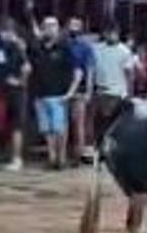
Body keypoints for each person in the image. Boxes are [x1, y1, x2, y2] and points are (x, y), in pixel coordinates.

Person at [30, 16, 80, 169]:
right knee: (47, 129)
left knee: (60, 129)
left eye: (53, 25)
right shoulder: (37, 48)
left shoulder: (65, 48)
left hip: (59, 95)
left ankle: (62, 158)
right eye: (47, 25)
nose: (50, 28)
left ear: (58, 29)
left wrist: (70, 93)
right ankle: (52, 158)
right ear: (43, 28)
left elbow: (78, 72)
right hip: (41, 95)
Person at [0, 17, 31, 171]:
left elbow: (27, 68)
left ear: (13, 32)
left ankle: (17, 159)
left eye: (8, 32)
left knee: (17, 126)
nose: (5, 35)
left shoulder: (19, 47)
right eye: (3, 32)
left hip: (17, 92)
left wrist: (20, 82)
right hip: (1, 90)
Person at [92, 23, 137, 136]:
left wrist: (129, 94)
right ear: (104, 34)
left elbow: (129, 74)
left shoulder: (124, 51)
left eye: (113, 33)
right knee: (99, 124)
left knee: (113, 125)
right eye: (108, 33)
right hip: (100, 91)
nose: (111, 36)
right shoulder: (97, 49)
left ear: (118, 34)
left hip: (117, 93)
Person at [65, 17, 96, 163]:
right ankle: (66, 152)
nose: (73, 28)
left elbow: (90, 69)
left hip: (80, 88)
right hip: (63, 87)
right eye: (71, 25)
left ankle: (78, 154)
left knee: (78, 123)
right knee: (65, 123)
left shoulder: (85, 46)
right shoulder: (63, 44)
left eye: (76, 25)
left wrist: (89, 90)